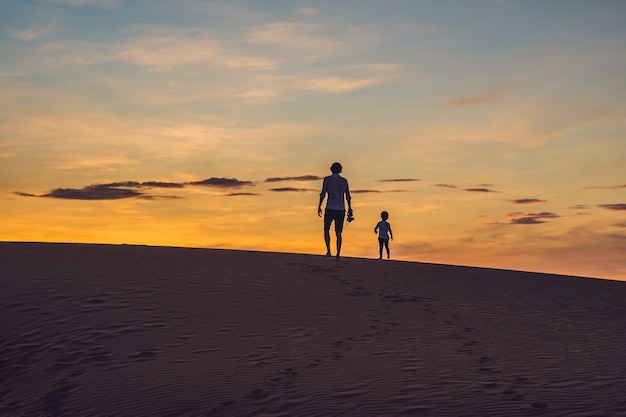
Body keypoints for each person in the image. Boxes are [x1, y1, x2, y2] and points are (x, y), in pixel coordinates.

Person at [318, 162, 352, 259]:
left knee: (326, 230)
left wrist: (319, 205)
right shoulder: (344, 181)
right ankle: (338, 253)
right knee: (338, 232)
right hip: (341, 208)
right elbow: (348, 196)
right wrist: (350, 208)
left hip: (330, 207)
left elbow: (323, 193)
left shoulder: (327, 180)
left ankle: (328, 251)